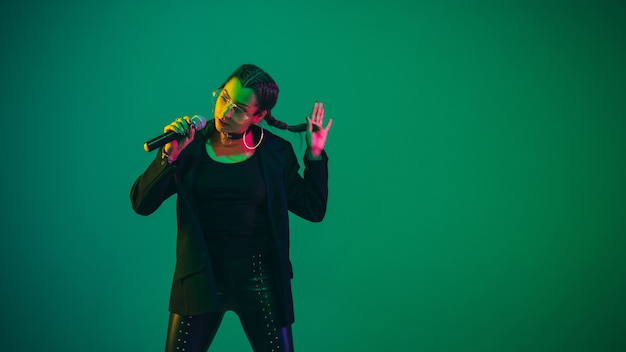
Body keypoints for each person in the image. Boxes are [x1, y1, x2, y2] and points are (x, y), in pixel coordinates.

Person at [130, 64, 332, 352]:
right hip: (201, 277)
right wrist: (168, 158)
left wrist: (314, 156)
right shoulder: (190, 146)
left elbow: (313, 209)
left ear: (258, 116)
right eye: (224, 97)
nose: (225, 112)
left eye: (238, 108)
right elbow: (141, 203)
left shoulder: (275, 153)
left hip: (259, 279)